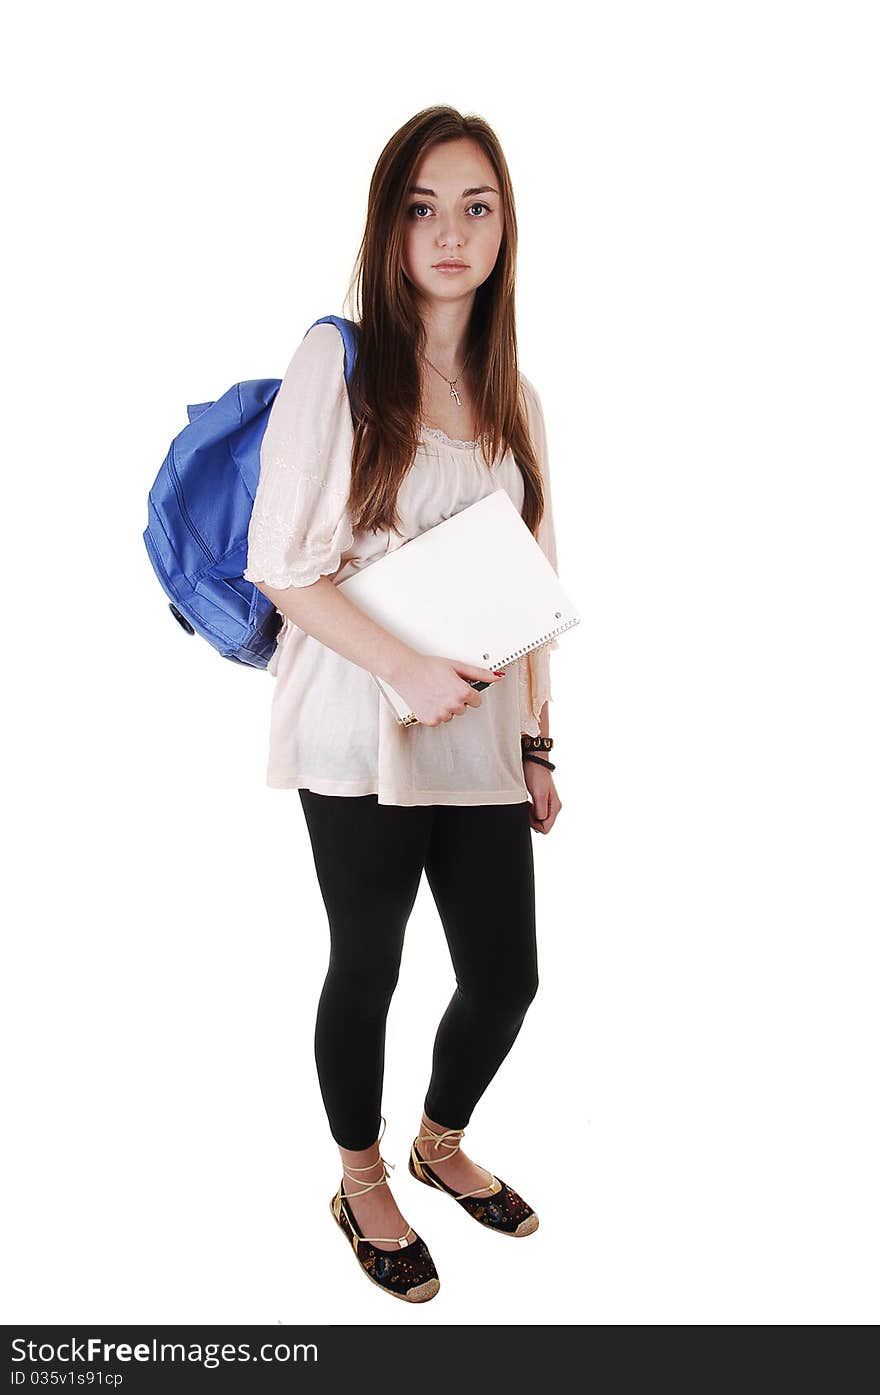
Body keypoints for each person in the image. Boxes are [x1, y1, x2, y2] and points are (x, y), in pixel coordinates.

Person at [243, 106, 563, 1304]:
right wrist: (405, 669)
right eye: (422, 205)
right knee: (367, 960)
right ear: (387, 226)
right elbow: (281, 566)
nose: (450, 230)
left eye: (476, 205)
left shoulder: (515, 398)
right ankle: (360, 1173)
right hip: (355, 731)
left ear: (504, 229)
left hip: (477, 736)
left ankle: (439, 1143)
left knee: (506, 975)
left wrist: (535, 742)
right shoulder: (337, 361)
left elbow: (534, 590)